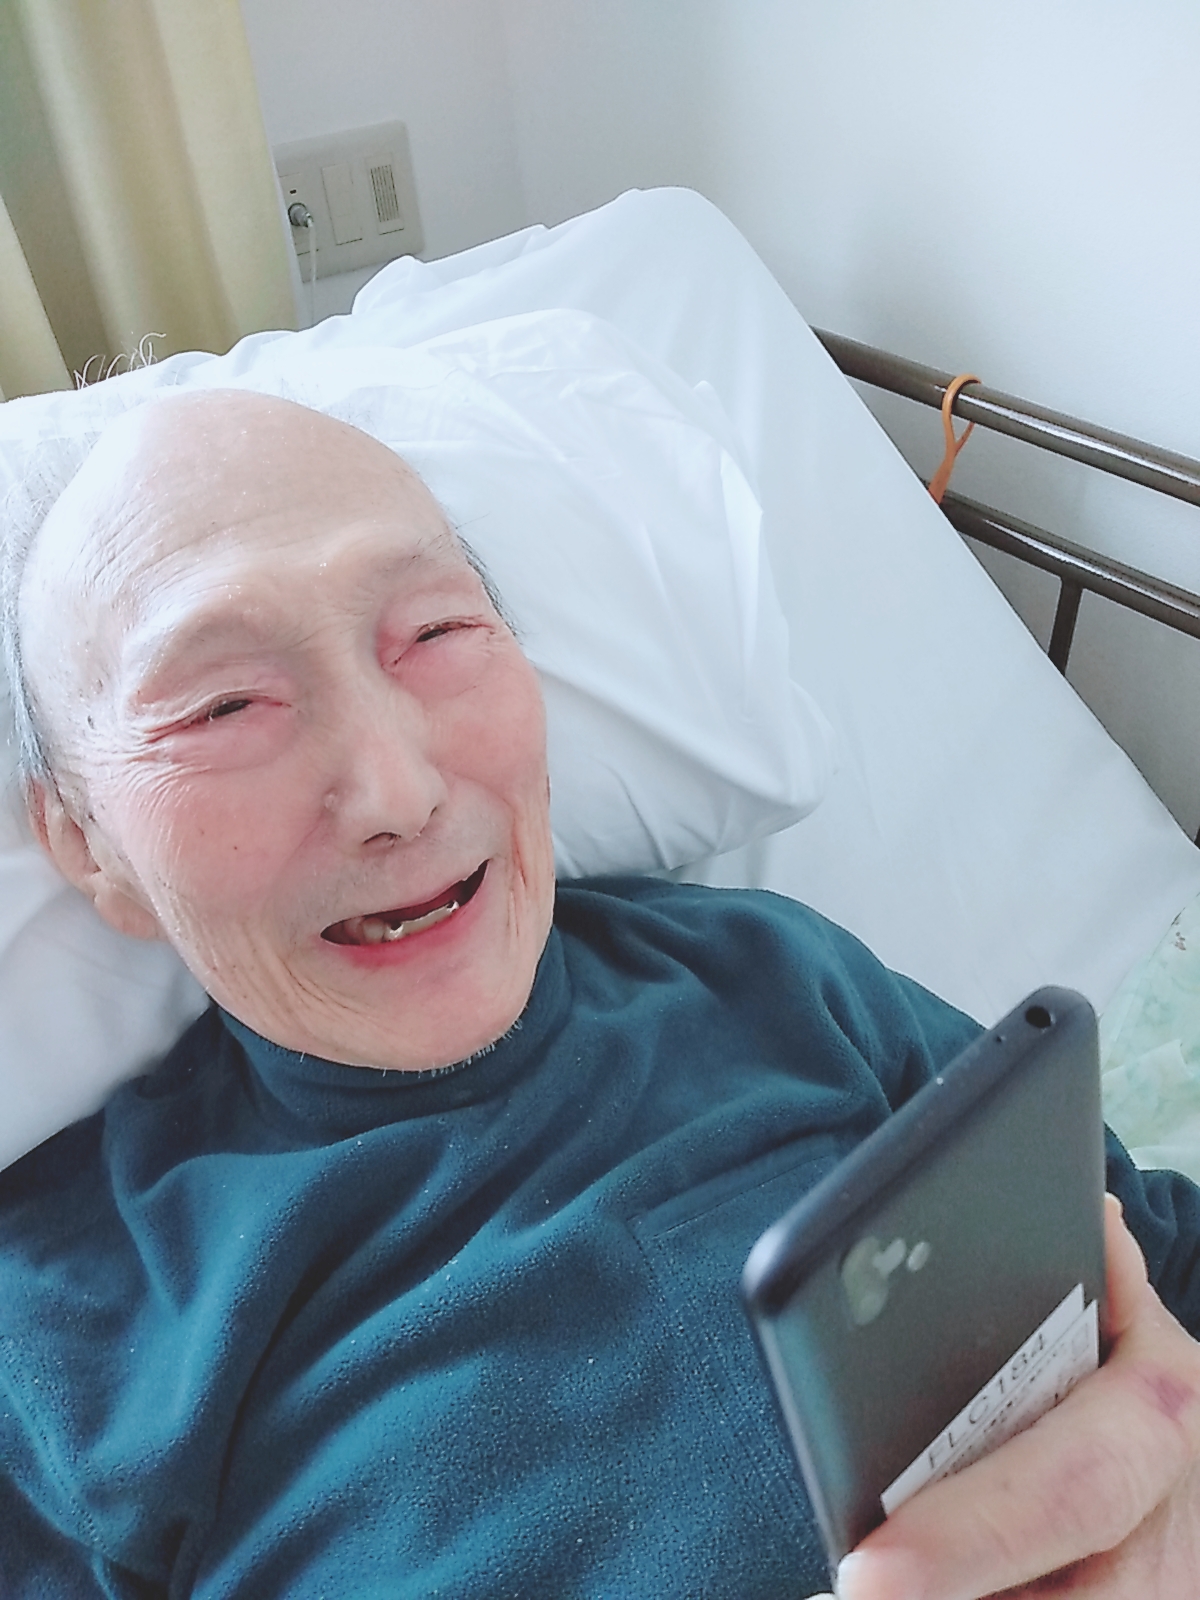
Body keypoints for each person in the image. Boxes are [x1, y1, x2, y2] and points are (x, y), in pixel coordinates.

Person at [3, 387, 1200, 1599]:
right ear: (89, 847)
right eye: (222, 706)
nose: (398, 792)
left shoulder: (773, 976)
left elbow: (1154, 1259)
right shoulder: (60, 1324)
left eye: (435, 630)